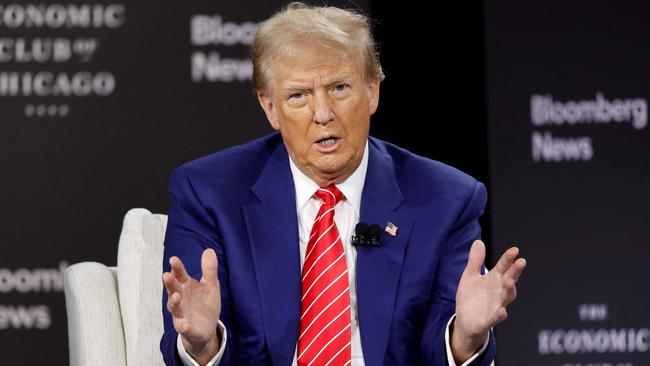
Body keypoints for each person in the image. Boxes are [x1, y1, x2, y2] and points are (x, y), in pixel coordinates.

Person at [160, 3, 526, 366]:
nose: (322, 114)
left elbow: (439, 343)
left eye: (339, 87)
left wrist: (466, 336)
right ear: (270, 107)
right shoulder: (209, 194)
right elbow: (194, 340)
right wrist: (203, 344)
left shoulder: (445, 199)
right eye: (298, 95)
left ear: (372, 91)